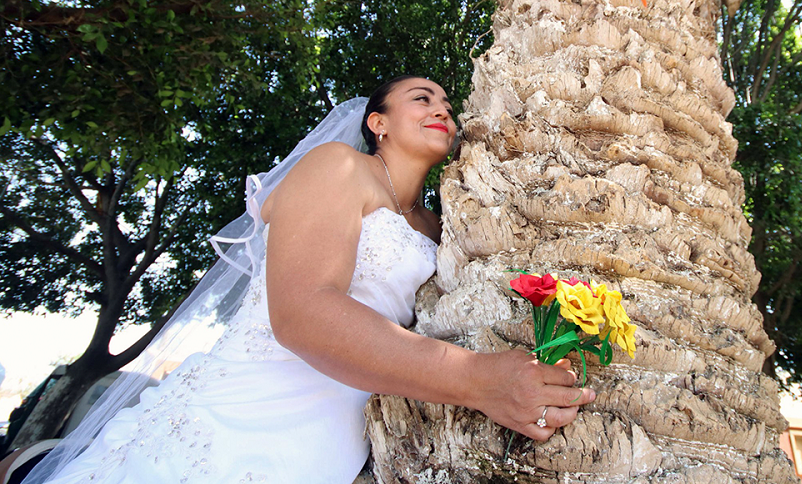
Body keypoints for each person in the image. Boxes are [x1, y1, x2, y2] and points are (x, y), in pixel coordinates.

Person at [24, 76, 592, 483]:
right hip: (240, 421)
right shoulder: (338, 167)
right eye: (421, 98)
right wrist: (477, 380)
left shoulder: (441, 225)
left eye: (446, 101)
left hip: (335, 447)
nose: (441, 107)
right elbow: (300, 312)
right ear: (378, 122)